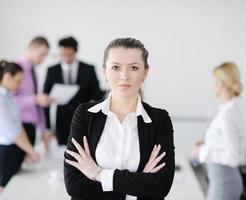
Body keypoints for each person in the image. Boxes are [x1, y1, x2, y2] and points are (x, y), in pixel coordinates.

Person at [64, 38, 175, 200]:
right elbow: (74, 185)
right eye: (116, 67)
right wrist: (138, 182)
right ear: (104, 72)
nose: (124, 76)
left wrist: (97, 173)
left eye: (134, 68)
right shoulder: (84, 115)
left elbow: (161, 186)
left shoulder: (159, 119)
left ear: (145, 73)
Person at [192, 62, 244, 200]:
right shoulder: (229, 109)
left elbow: (233, 158)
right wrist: (207, 144)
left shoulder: (226, 116)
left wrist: (202, 151)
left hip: (224, 184)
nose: (212, 85)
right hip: (223, 181)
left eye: (213, 81)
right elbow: (226, 142)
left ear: (221, 84)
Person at [44, 36, 105, 145]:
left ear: (75, 52)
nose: (66, 57)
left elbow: (97, 96)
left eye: (69, 54)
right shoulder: (52, 70)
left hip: (84, 118)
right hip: (61, 122)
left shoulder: (88, 69)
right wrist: (47, 127)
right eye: (63, 54)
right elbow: (45, 100)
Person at [0, 60, 39, 192]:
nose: (19, 85)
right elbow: (13, 132)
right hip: (5, 152)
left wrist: (28, 150)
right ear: (7, 77)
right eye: (18, 81)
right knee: (5, 191)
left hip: (14, 151)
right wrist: (32, 152)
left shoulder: (8, 96)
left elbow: (18, 125)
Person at [13, 36, 53, 152]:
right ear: (32, 48)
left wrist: (43, 130)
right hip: (19, 129)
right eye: (42, 54)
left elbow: (37, 103)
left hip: (31, 128)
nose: (43, 59)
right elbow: (9, 101)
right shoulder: (15, 69)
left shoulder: (33, 71)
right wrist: (35, 99)